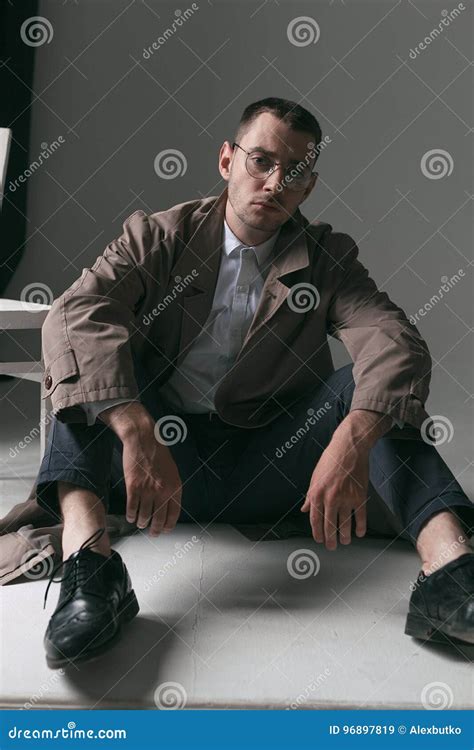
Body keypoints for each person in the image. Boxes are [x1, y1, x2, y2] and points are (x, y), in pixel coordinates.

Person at [34, 97, 473, 669]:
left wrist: (352, 441)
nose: (272, 183)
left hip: (275, 466)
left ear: (308, 186)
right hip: (162, 470)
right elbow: (74, 314)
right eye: (260, 162)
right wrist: (136, 426)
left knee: (365, 394)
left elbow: (393, 339)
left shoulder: (325, 257)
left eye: (292, 173)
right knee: (99, 368)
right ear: (226, 160)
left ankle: (453, 579)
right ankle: (90, 576)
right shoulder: (157, 237)